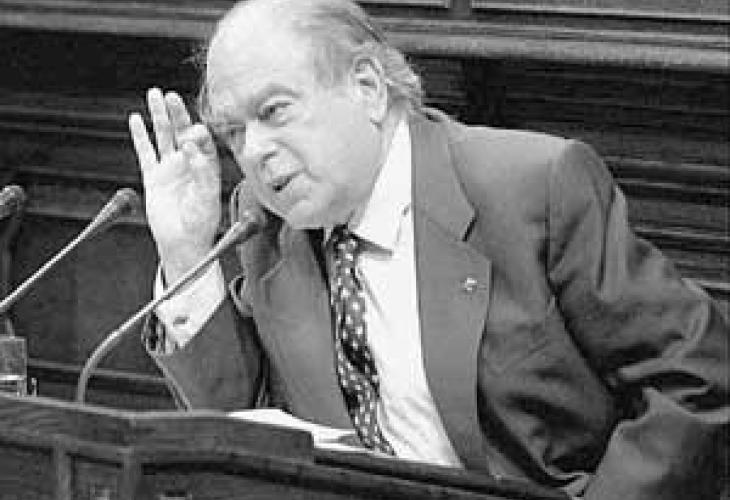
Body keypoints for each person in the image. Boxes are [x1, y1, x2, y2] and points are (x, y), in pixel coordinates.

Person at [127, 0, 729, 498]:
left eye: (274, 111)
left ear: (367, 87)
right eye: (235, 132)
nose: (255, 151)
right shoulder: (267, 230)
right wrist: (185, 254)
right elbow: (238, 434)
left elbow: (697, 381)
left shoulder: (530, 186)